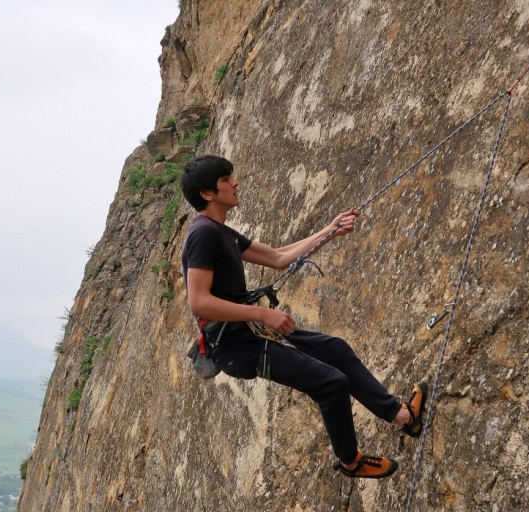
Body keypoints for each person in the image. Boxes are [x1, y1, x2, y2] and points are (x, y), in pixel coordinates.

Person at [179, 154, 427, 479]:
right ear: (208, 193)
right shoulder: (203, 235)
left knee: (335, 350)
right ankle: (351, 462)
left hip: (249, 331)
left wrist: (330, 230)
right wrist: (262, 313)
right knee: (330, 383)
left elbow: (279, 257)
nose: (235, 182)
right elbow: (198, 302)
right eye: (226, 179)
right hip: (237, 344)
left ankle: (402, 417)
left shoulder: (222, 232)